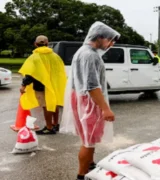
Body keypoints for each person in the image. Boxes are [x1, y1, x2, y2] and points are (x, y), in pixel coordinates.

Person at [60, 22, 120, 180]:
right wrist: (106, 109)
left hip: (81, 98)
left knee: (89, 137)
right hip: (88, 101)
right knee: (88, 140)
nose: (111, 44)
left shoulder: (84, 51)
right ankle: (81, 174)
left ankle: (90, 164)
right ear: (99, 37)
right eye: (110, 40)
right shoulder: (90, 55)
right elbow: (92, 86)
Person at [19, 35, 66, 135]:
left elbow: (30, 73)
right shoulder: (55, 56)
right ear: (47, 43)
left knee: (46, 106)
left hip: (41, 86)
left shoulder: (34, 57)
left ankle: (49, 128)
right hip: (54, 85)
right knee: (54, 103)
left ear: (35, 44)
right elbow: (60, 72)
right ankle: (55, 124)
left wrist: (24, 85)